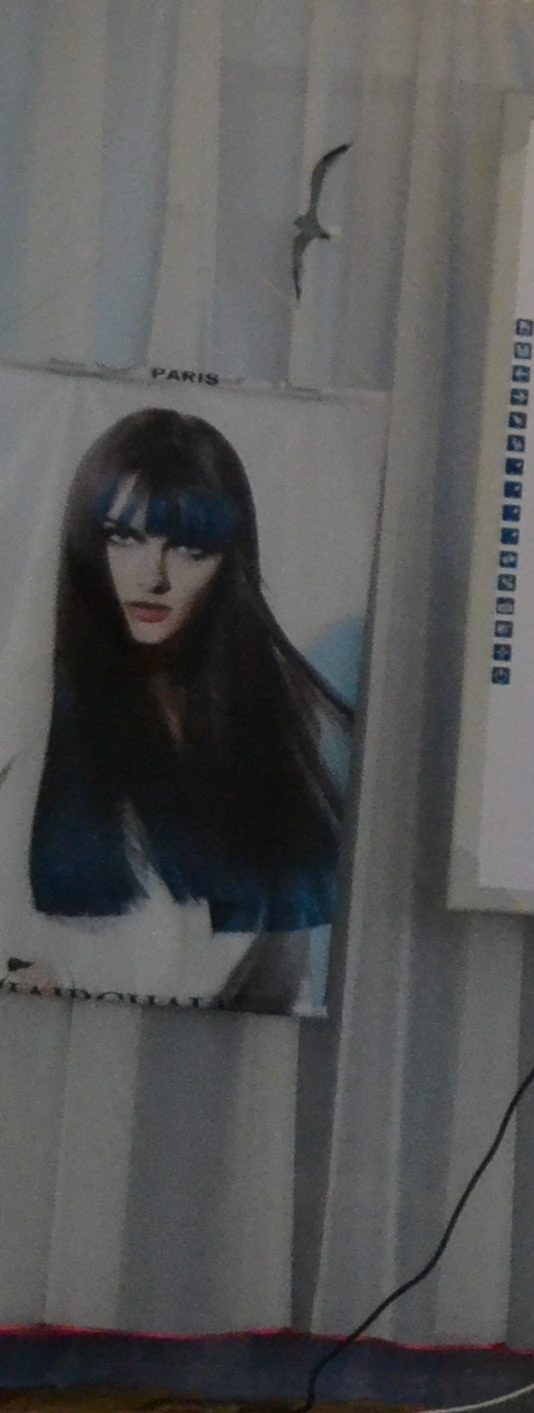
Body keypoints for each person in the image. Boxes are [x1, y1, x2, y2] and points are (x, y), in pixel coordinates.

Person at [3, 408, 357, 1012]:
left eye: (190, 548)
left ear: (229, 562)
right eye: (124, 538)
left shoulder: (295, 736)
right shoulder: (36, 744)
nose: (154, 576)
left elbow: (285, 978)